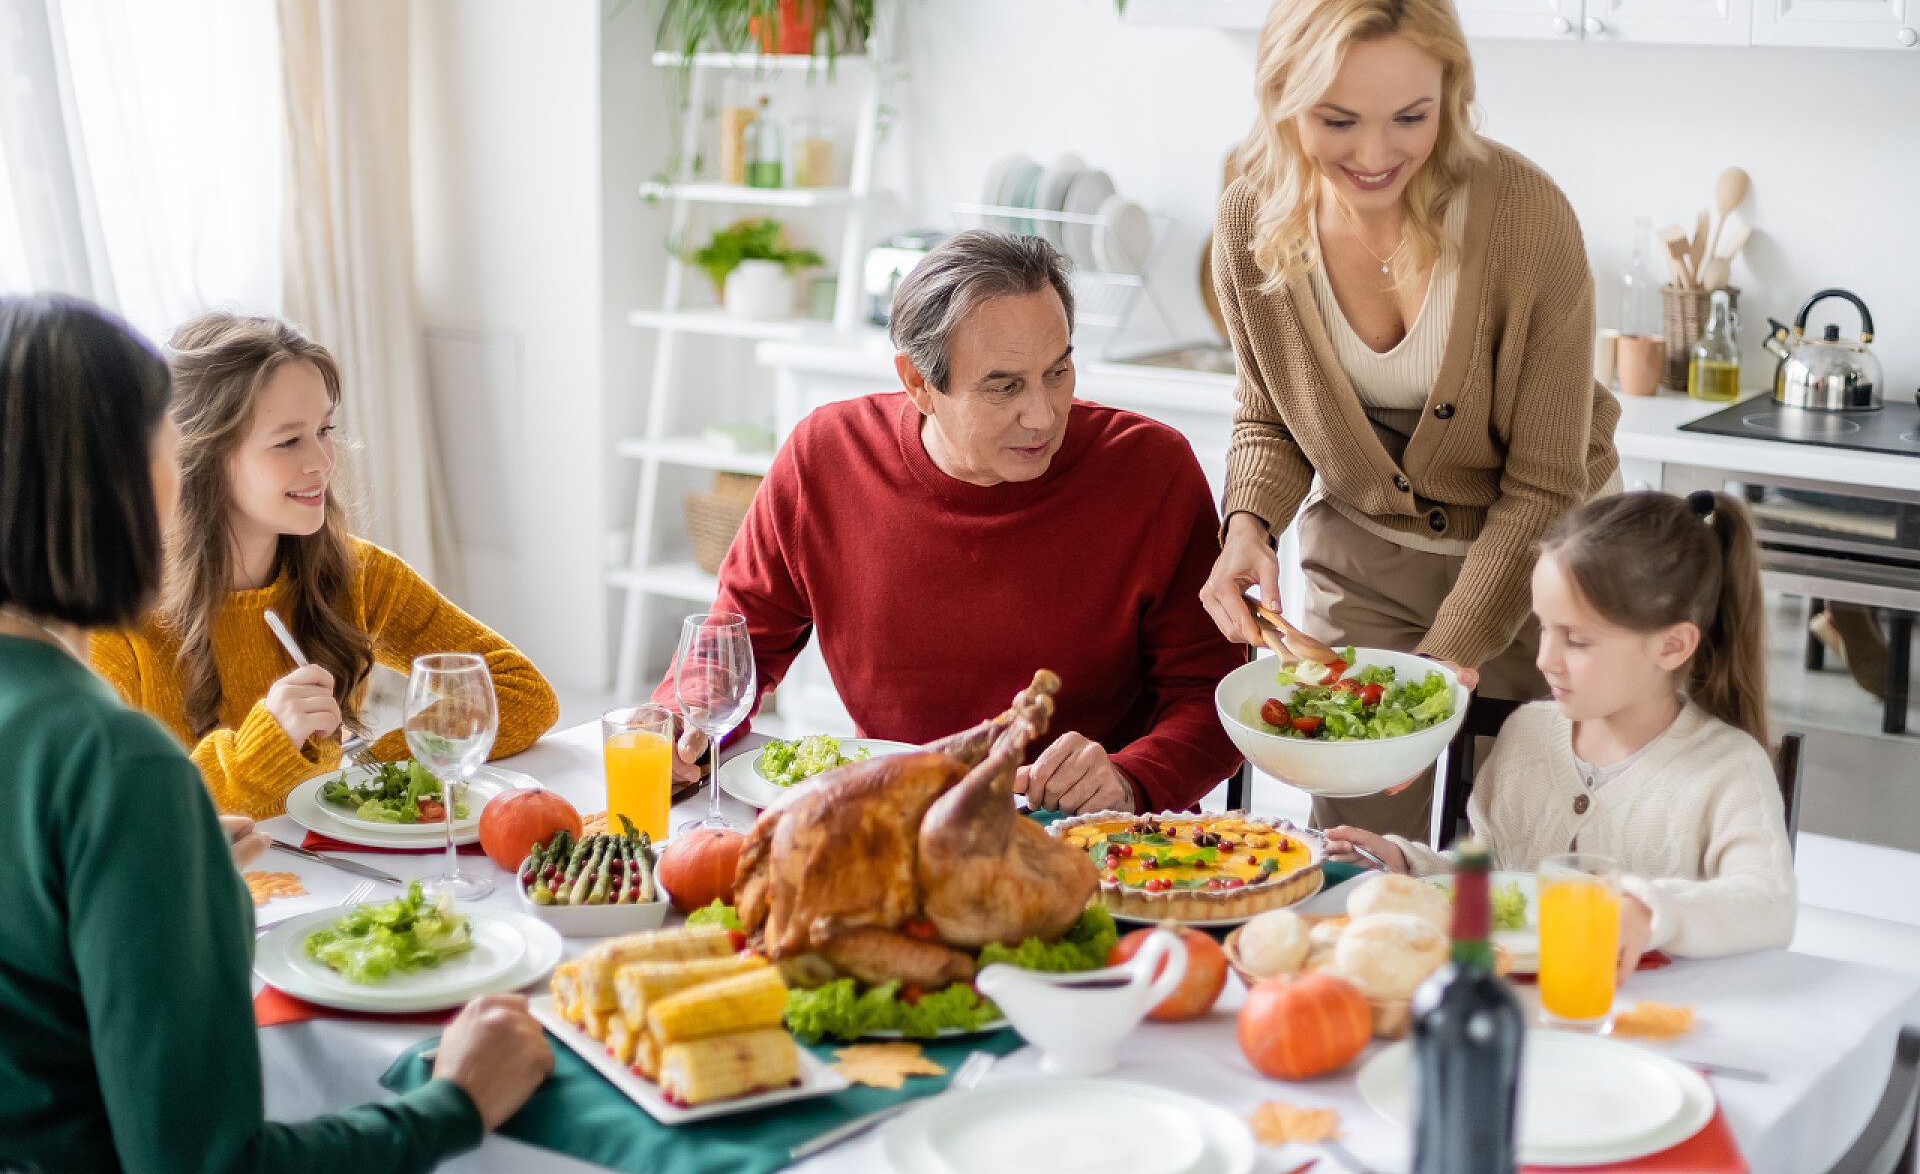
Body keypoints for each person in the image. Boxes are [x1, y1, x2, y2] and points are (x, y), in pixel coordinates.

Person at [0, 292, 552, 1173]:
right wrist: (453, 1106)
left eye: (325, 431)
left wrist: (167, 864)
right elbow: (208, 1164)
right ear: (111, 483)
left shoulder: (346, 574)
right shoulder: (113, 756)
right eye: (163, 446)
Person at [1200, 0, 1620, 841]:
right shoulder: (1249, 221)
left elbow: (1548, 484)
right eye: (1337, 120)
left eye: (1411, 117)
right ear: (1282, 99)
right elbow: (1269, 414)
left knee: (1511, 858)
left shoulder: (1526, 221)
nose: (1376, 154)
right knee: (1355, 851)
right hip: (1366, 564)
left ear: (1452, 95)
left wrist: (1441, 670)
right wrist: (1248, 527)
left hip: (1545, 567)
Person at [654, 230, 1246, 815]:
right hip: (892, 823)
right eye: (1004, 386)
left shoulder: (1151, 470)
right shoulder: (825, 456)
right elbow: (735, 641)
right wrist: (689, 723)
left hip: (1095, 838)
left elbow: (1214, 700)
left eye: (1058, 372)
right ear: (918, 383)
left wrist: (1128, 776)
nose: (1042, 414)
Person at [92, 314, 559, 819]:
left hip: (337, 877)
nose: (322, 461)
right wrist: (262, 750)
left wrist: (371, 772)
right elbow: (116, 814)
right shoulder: (115, 620)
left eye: (324, 430)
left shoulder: (357, 574)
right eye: (288, 441)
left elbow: (522, 694)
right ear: (202, 456)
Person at [1327, 490, 1796, 978]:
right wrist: (1408, 867)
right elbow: (1499, 884)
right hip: (1511, 1010)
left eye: (1576, 640)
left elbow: (1768, 904)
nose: (1545, 659)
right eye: (1544, 629)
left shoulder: (1729, 768)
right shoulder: (1526, 734)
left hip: (1644, 1029)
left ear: (1672, 646)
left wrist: (1650, 911)